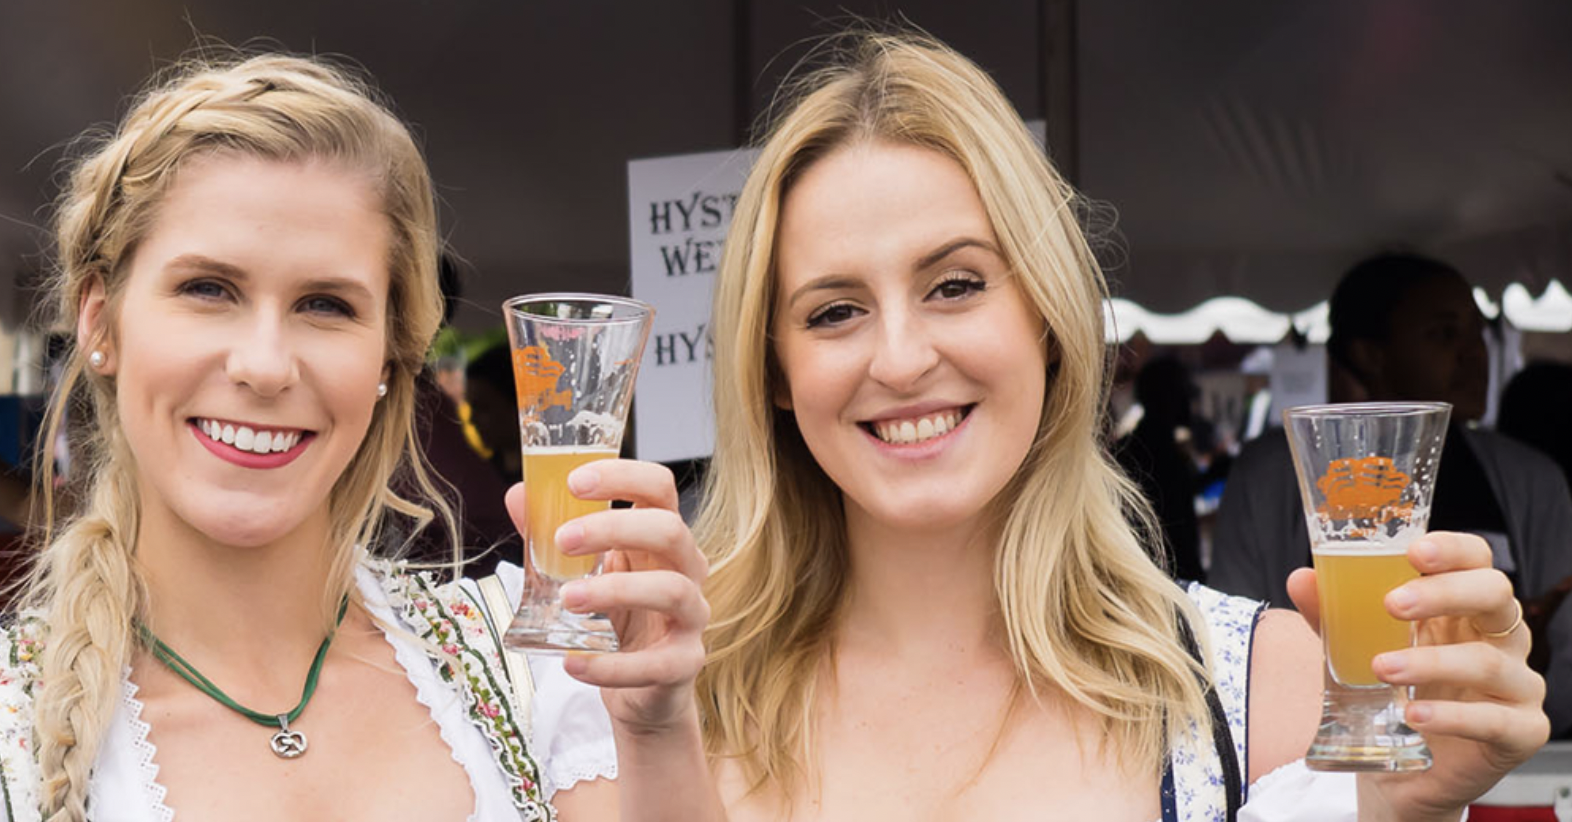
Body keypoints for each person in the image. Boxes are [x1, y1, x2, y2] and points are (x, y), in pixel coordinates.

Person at [693, 32, 1548, 821]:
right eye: (835, 310)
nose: (901, 359)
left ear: (1048, 315)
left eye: (955, 285)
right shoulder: (657, 706)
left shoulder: (1275, 687)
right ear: (773, 369)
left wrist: (1409, 806)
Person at [0, 52, 719, 821]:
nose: (267, 366)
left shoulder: (532, 664)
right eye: (208, 289)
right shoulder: (17, 726)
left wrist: (656, 732)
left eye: (326, 305)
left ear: (389, 355)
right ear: (99, 320)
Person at [1210, 253, 1572, 736]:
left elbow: (1562, 665)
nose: (1474, 353)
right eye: (1445, 334)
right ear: (1369, 354)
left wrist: (1529, 655)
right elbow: (1233, 642)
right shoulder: (1272, 473)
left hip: (1504, 767)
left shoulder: (1531, 479)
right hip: (1315, 763)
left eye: (1477, 332)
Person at [1114, 356, 1206, 582]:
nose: (1187, 402)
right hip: (1157, 581)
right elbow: (1175, 526)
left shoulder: (1141, 447)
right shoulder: (1150, 451)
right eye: (1182, 392)